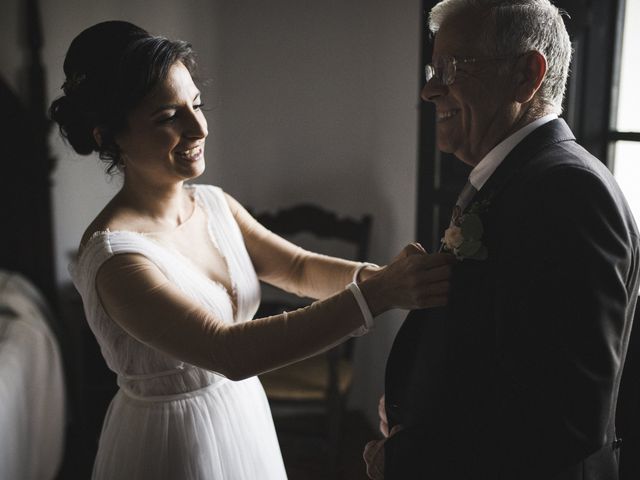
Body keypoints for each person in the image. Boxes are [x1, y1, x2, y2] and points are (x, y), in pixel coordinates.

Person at [50, 20, 455, 480]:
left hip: (240, 415)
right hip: (172, 443)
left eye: (196, 105)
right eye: (167, 117)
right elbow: (229, 351)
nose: (198, 126)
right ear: (108, 136)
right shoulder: (114, 259)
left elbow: (299, 268)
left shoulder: (214, 203)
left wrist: (386, 277)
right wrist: (379, 295)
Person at [363, 1, 640, 479]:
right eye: (434, 68)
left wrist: (413, 457)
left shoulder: (569, 193)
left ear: (527, 75)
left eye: (450, 68)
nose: (430, 89)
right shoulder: (516, 179)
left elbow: (565, 420)